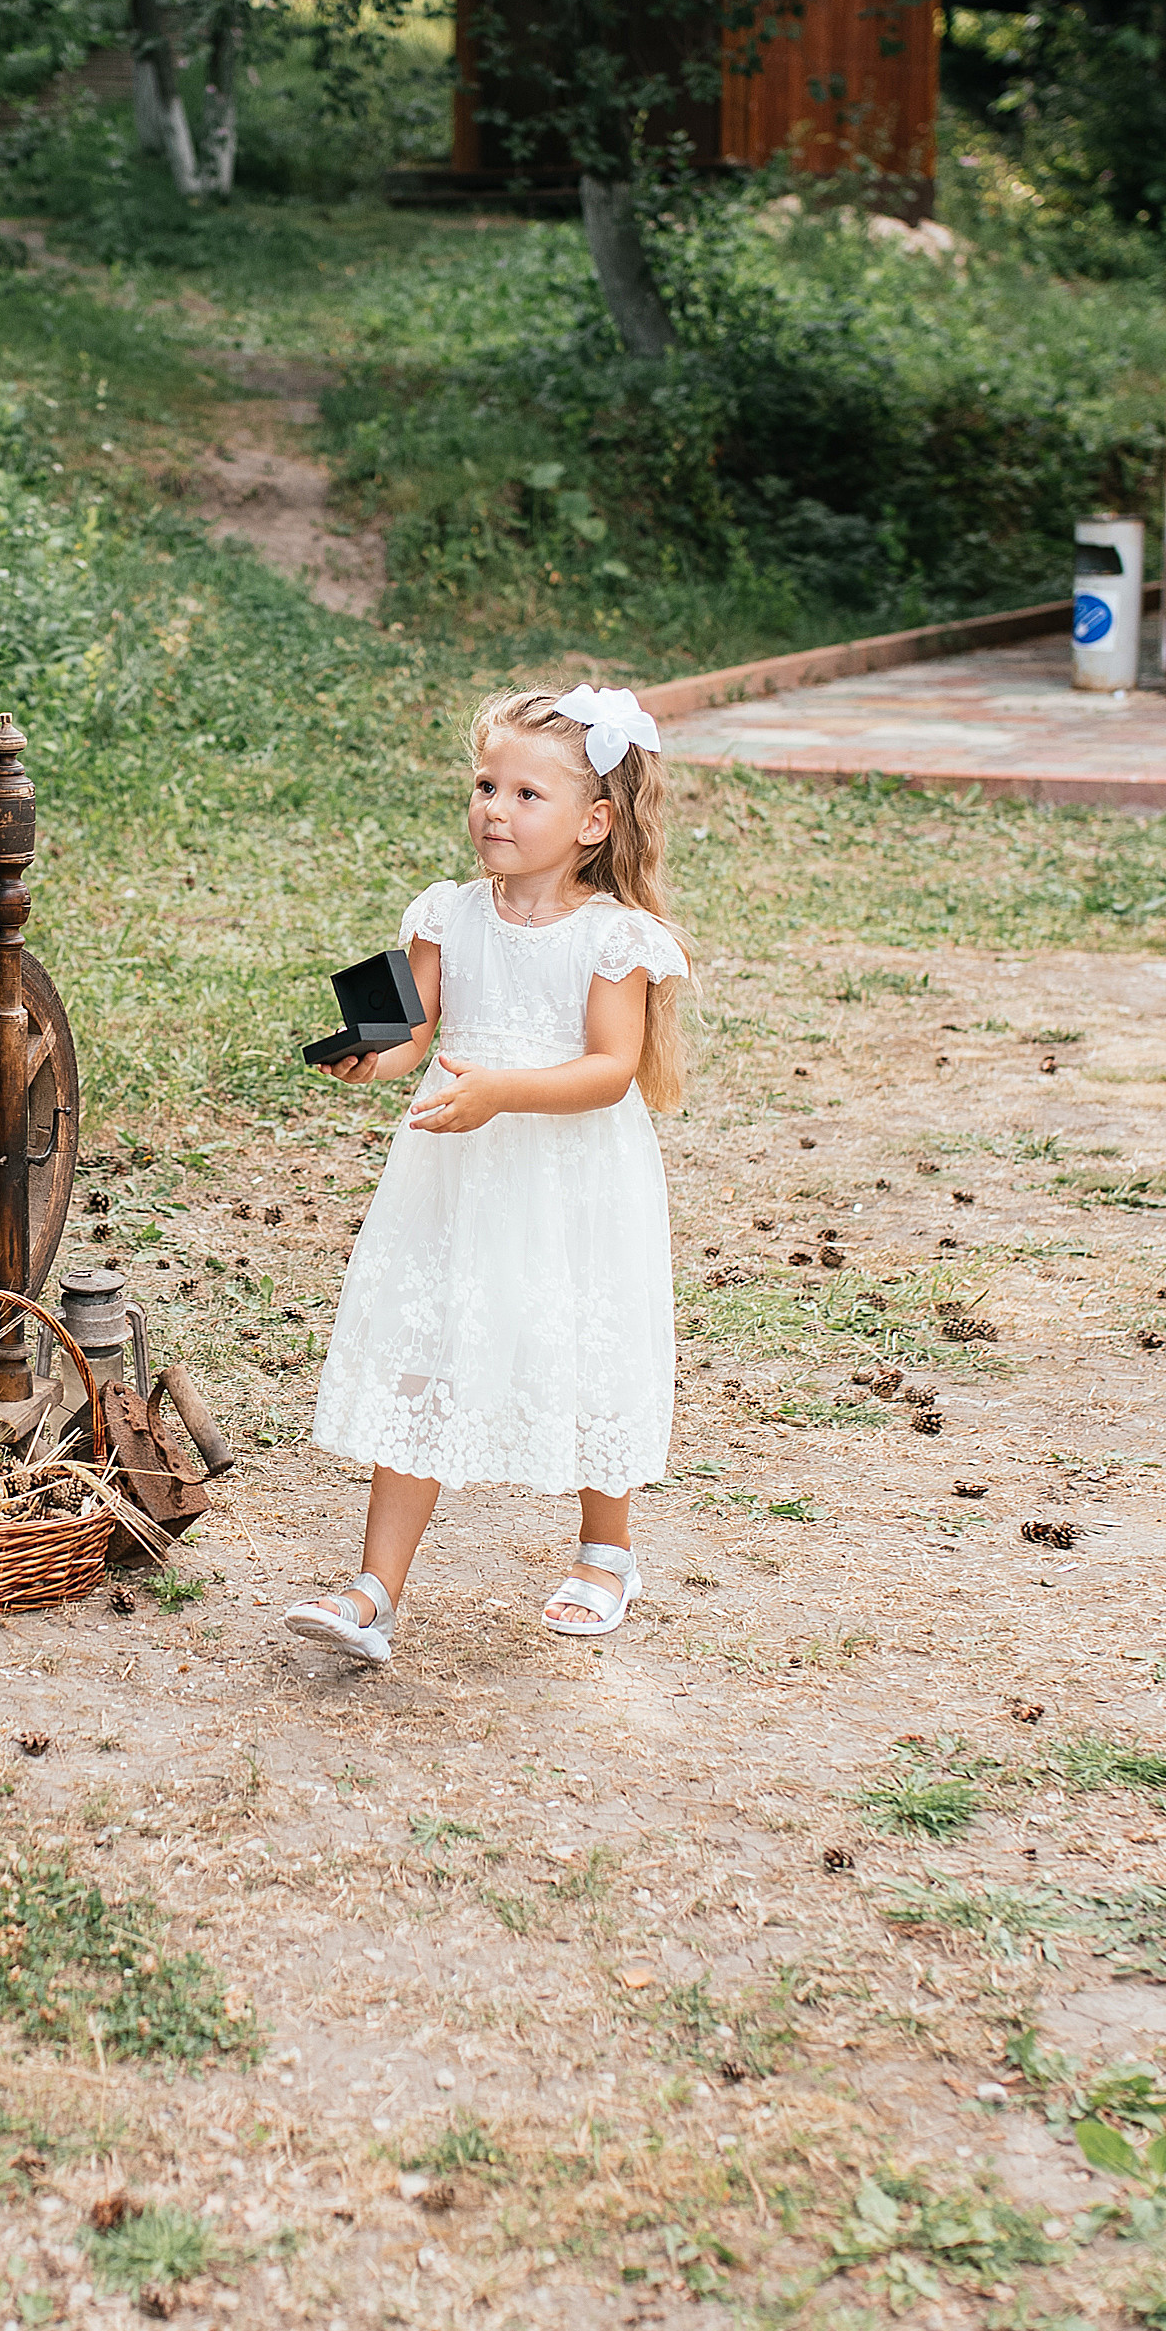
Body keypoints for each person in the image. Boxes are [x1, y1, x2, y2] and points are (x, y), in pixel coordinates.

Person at [287, 685, 687, 1665]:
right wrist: (370, 1058)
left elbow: (609, 1070)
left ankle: (606, 1553)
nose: (494, 810)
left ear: (594, 824)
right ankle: (374, 1592)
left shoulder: (615, 938)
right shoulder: (445, 914)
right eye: (484, 786)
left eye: (525, 794)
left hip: (571, 1179)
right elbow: (409, 1032)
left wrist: (503, 1092)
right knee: (424, 1349)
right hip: (456, 1175)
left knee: (585, 1345)